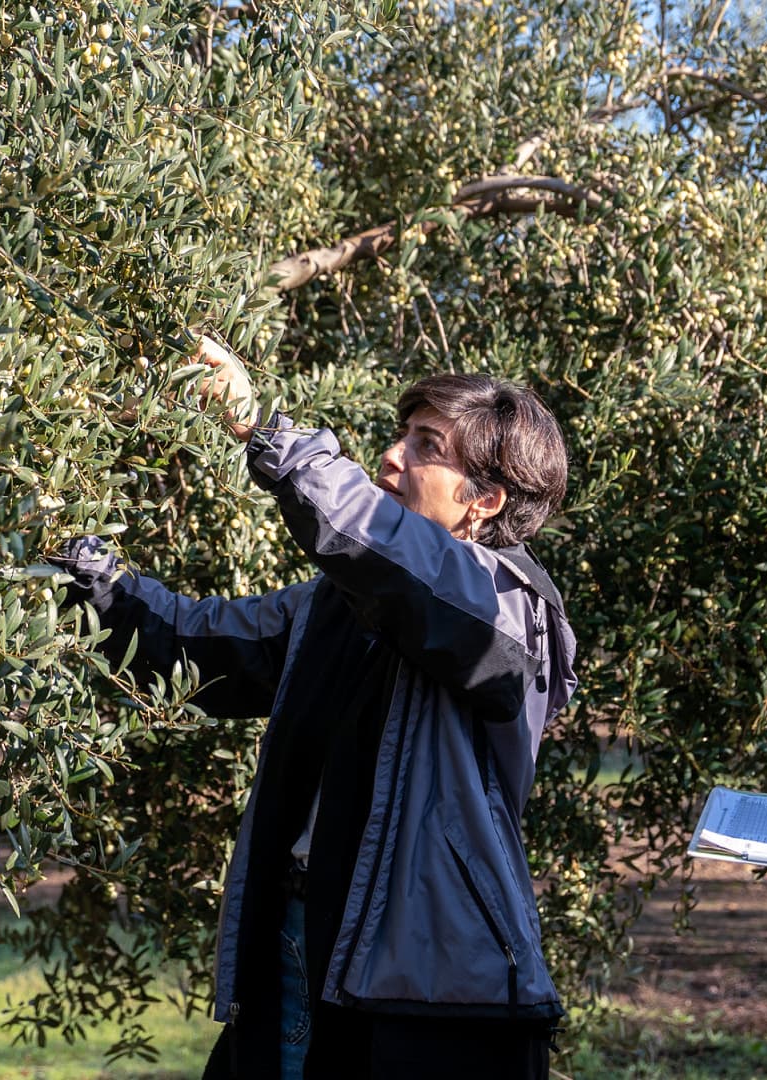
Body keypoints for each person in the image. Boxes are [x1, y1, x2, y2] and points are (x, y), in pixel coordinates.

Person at [48, 340, 577, 1080]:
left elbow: (397, 560)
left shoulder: (509, 610)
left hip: (435, 997)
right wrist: (72, 569)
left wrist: (262, 429)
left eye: (426, 447)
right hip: (299, 939)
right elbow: (190, 642)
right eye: (401, 436)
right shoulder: (336, 606)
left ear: (484, 500)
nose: (391, 458)